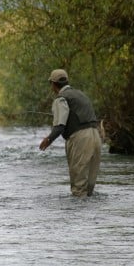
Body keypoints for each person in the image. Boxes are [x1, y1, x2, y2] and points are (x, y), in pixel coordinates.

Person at [39, 69, 102, 197]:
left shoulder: (61, 99)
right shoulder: (80, 94)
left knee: (79, 189)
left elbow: (60, 126)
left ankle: (77, 216)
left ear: (53, 84)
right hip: (96, 136)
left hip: (80, 139)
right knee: (89, 189)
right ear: (67, 81)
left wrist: (48, 139)